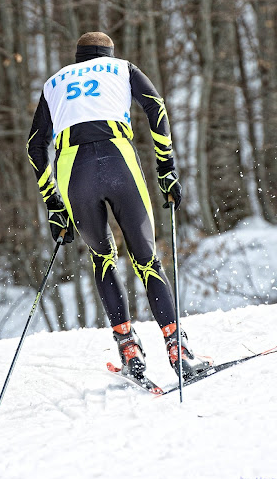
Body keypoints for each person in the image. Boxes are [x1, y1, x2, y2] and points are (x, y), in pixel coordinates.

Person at [27, 32, 207, 379]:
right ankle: (177, 350)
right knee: (146, 258)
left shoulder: (53, 84)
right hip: (118, 157)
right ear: (107, 54)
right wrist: (166, 167)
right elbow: (155, 106)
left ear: (78, 59)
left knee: (102, 257)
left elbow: (35, 146)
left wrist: (53, 204)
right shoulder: (122, 68)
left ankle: (129, 350)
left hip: (72, 169)